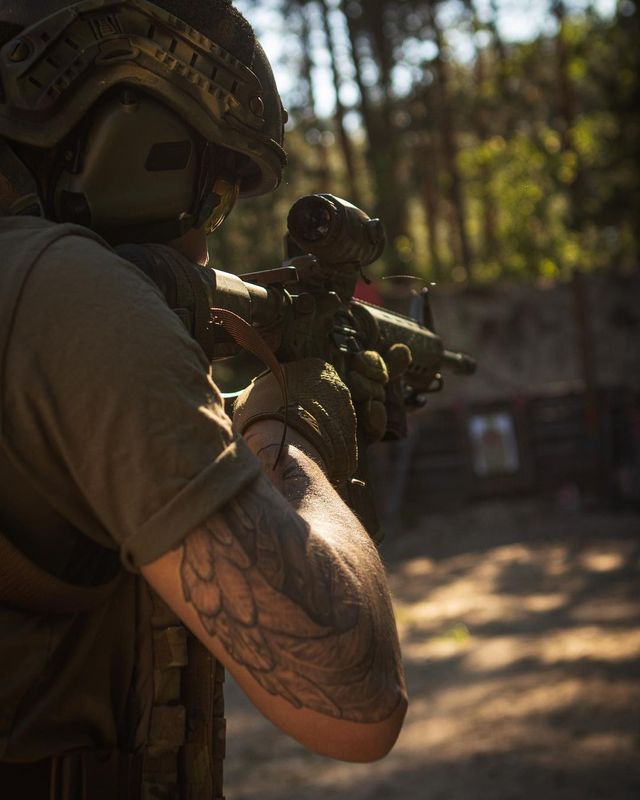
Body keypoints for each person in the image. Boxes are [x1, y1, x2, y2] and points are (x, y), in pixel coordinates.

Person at [0, 1, 407, 798]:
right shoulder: (66, 291)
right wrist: (294, 426)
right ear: (115, 136)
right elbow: (354, 702)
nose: (206, 245)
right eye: (211, 198)